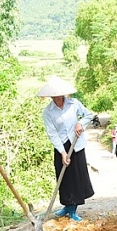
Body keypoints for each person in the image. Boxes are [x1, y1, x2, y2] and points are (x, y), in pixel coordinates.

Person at [38, 76, 95, 222]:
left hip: (76, 144)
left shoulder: (74, 103)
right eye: (54, 95)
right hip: (61, 146)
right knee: (63, 178)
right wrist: (62, 152)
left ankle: (73, 209)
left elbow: (89, 115)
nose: (57, 97)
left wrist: (80, 123)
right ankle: (66, 206)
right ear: (50, 95)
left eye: (59, 94)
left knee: (76, 177)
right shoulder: (48, 112)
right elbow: (52, 133)